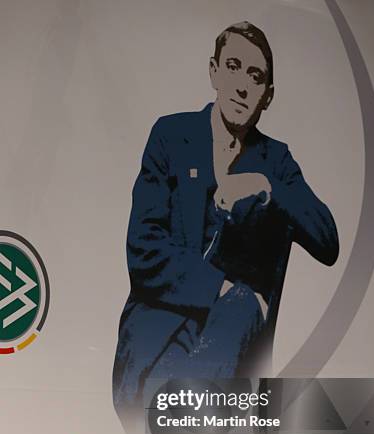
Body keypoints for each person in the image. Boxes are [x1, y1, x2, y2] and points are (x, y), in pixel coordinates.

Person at [113, 21, 339, 412]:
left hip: (233, 361)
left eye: (255, 77)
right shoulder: (171, 135)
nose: (242, 86)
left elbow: (327, 241)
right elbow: (143, 249)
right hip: (157, 352)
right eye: (233, 66)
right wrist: (223, 292)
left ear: (267, 96)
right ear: (214, 71)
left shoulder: (276, 161)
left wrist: (265, 184)